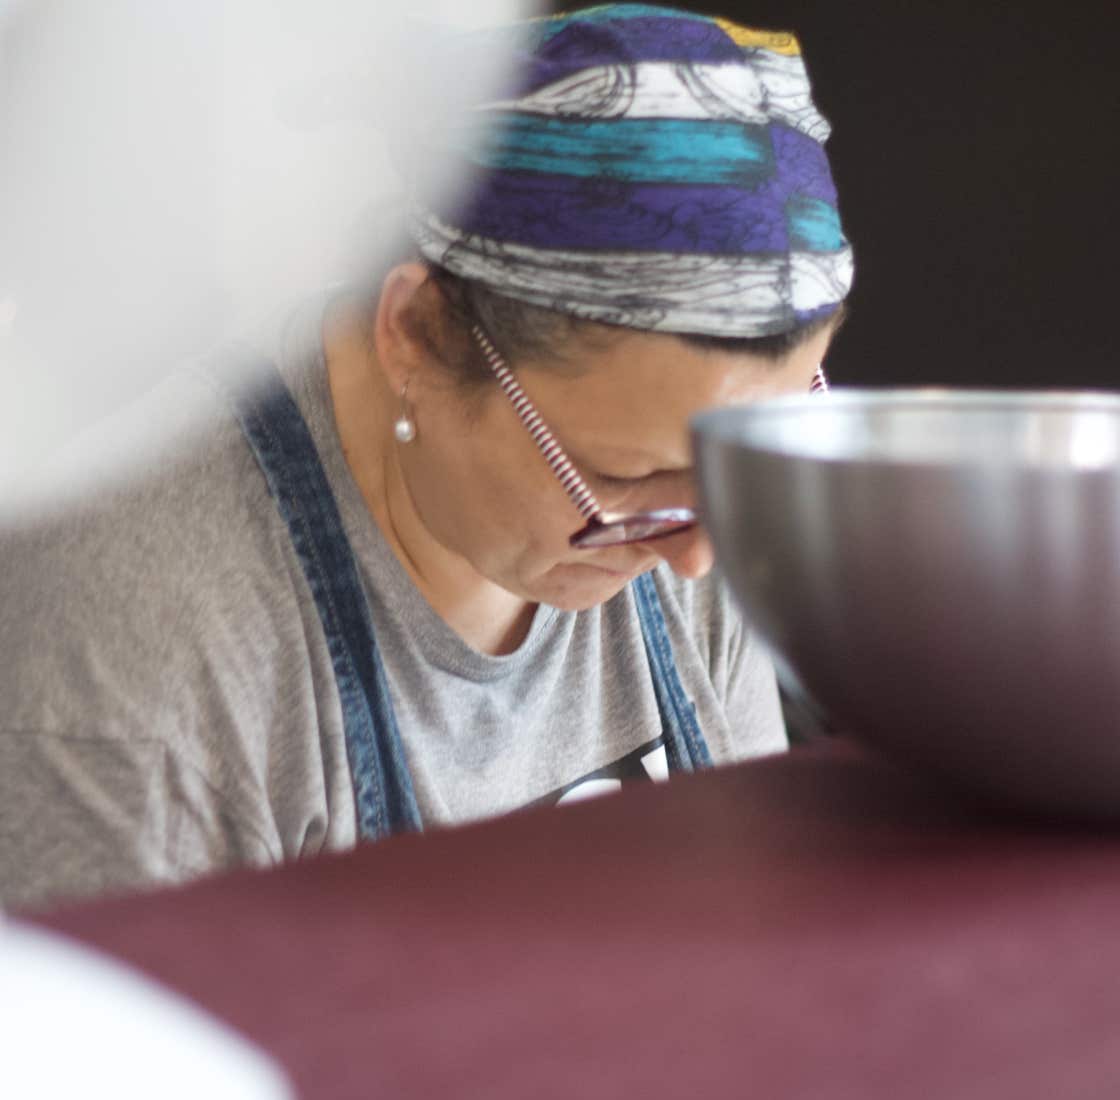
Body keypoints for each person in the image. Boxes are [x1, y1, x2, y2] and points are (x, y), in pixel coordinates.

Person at [0, 3, 853, 910]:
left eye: (748, 468)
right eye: (624, 476)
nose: (696, 557)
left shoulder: (688, 526)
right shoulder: (138, 660)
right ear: (412, 333)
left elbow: (749, 931)